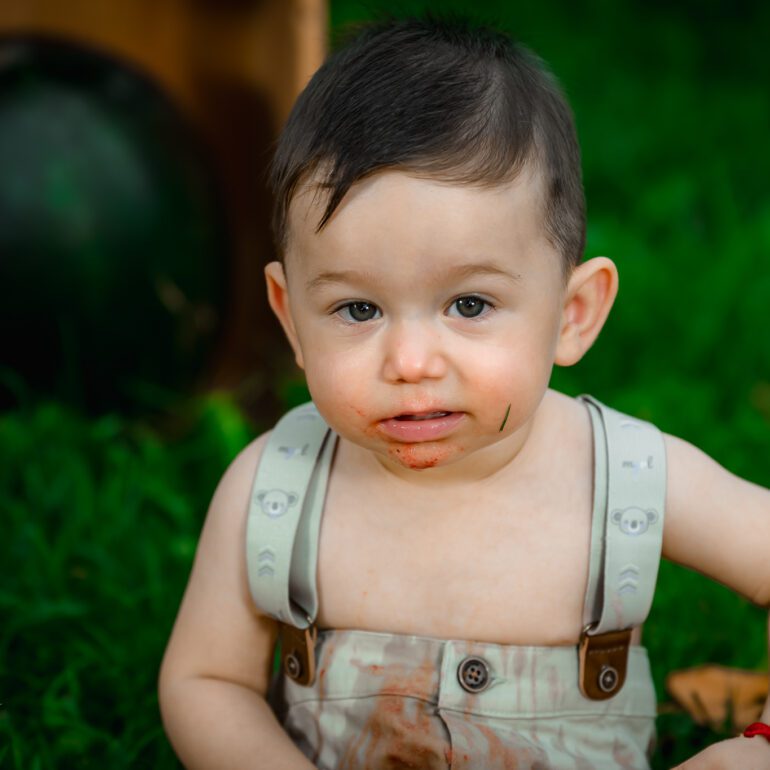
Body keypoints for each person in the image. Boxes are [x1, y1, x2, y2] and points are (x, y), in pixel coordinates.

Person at [158, 15, 770, 770]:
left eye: (470, 305)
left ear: (573, 315)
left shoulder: (627, 479)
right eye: (358, 309)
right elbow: (205, 679)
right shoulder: (274, 490)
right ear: (291, 318)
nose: (410, 361)